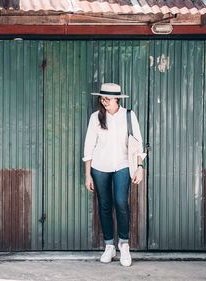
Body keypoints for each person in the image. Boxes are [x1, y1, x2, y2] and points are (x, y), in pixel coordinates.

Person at [82, 83, 145, 267]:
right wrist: (88, 175)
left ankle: (124, 244)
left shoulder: (128, 115)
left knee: (120, 202)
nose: (104, 101)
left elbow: (138, 143)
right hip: (99, 167)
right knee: (105, 205)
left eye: (108, 98)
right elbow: (89, 146)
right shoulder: (96, 117)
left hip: (123, 165)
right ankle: (109, 245)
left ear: (117, 99)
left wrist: (140, 166)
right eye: (102, 98)